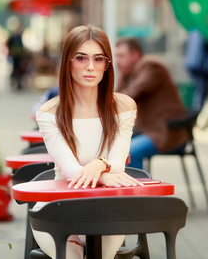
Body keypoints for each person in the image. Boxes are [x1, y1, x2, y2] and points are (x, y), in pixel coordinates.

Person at [34, 25, 143, 259]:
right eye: (81, 58)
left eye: (98, 58)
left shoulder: (124, 107)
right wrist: (102, 168)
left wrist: (99, 164)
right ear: (68, 62)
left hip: (108, 208)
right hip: (58, 206)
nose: (91, 66)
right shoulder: (49, 112)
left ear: (107, 64)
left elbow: (118, 164)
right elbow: (71, 171)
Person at [114, 37, 189, 170]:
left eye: (121, 56)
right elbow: (115, 100)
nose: (117, 61)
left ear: (135, 55)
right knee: (110, 147)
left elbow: (129, 95)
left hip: (166, 133)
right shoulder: (128, 74)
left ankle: (138, 190)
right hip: (146, 130)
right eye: (116, 56)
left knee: (129, 152)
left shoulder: (151, 67)